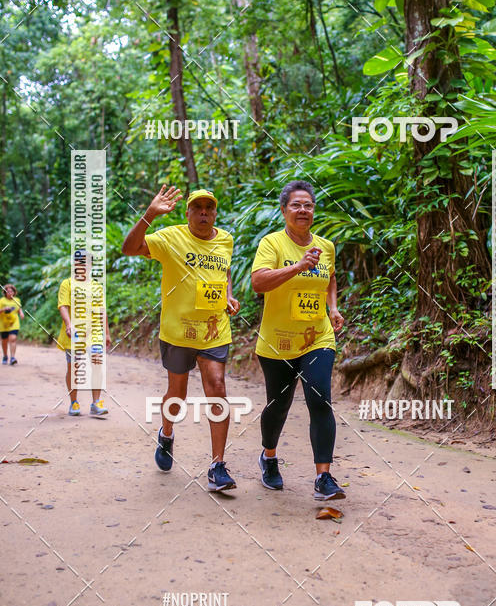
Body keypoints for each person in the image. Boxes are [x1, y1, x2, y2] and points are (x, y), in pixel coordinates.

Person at [121, 185, 240, 492]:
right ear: (187, 212)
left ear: (214, 212)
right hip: (178, 331)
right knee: (177, 393)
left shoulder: (225, 239)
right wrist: (150, 214)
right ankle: (167, 432)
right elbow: (129, 248)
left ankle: (217, 466)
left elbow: (223, 272)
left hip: (214, 329)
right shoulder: (171, 237)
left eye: (209, 208)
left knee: (217, 387)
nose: (204, 213)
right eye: (197, 208)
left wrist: (228, 294)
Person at [251, 180, 346, 500]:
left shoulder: (326, 246)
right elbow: (258, 283)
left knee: (319, 398)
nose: (303, 210)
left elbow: (330, 277)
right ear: (284, 210)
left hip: (317, 336)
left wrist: (332, 308)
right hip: (277, 341)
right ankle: (269, 456)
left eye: (308, 205)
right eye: (296, 205)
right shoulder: (272, 244)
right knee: (278, 406)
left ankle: (324, 477)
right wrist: (298, 267)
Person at [57, 253, 112, 416]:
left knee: (97, 365)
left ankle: (96, 402)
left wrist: (107, 333)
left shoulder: (96, 286)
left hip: (94, 333)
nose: (82, 266)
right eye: (79, 262)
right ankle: (74, 402)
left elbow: (102, 311)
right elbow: (63, 306)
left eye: (85, 263)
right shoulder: (67, 284)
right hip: (74, 334)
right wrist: (69, 324)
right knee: (73, 368)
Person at [0, 283, 25, 365]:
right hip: (4, 323)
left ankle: (12, 357)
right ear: (5, 292)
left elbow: (19, 308)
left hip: (14, 322)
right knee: (4, 340)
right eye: (8, 291)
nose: (10, 293)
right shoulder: (2, 301)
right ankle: (5, 356)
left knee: (13, 338)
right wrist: (3, 309)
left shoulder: (17, 300)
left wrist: (21, 313)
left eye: (11, 291)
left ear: (14, 292)